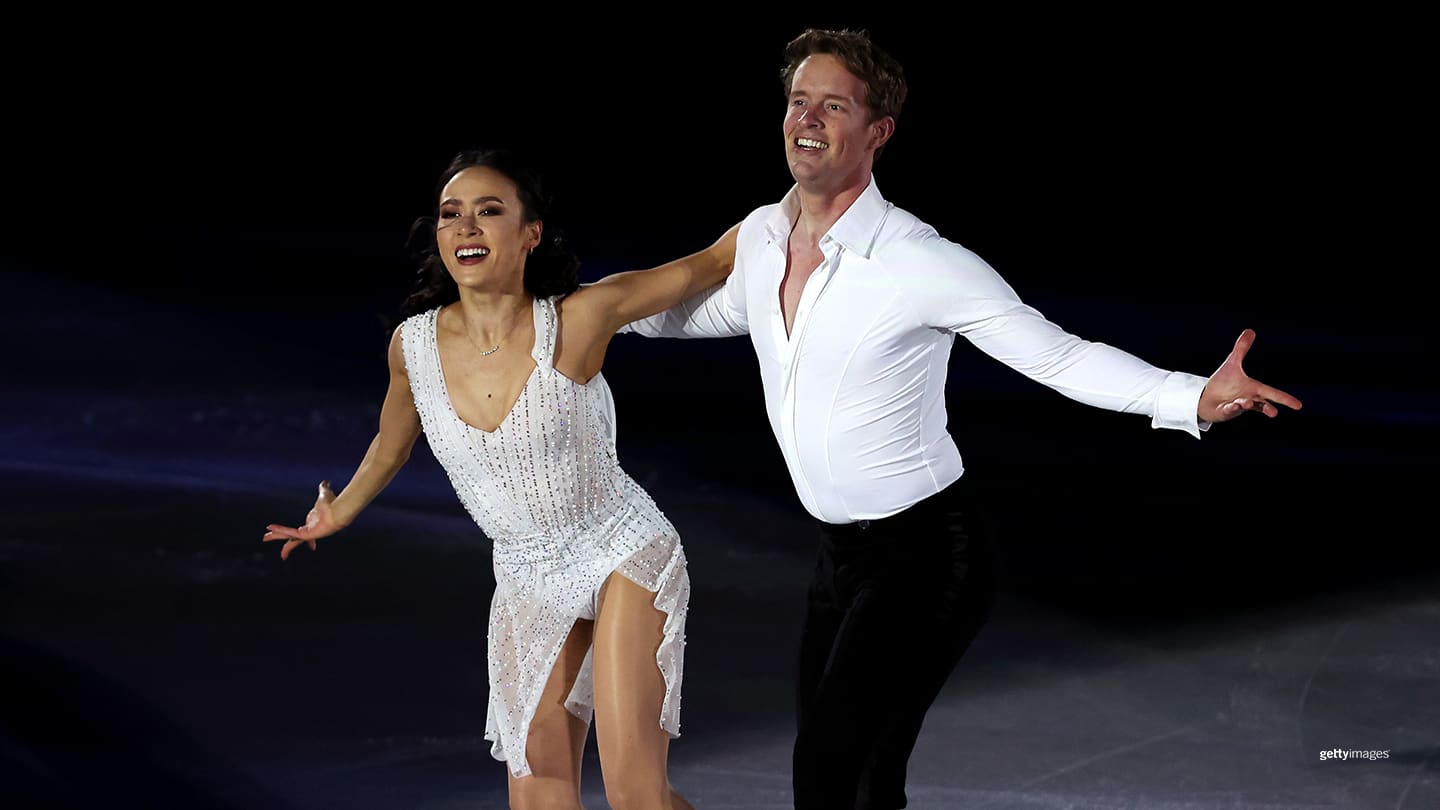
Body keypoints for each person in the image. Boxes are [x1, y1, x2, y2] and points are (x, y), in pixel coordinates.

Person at [616, 27, 1305, 810]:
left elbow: (1058, 355)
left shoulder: (919, 262)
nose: (806, 118)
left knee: (829, 770)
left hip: (926, 557)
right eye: (798, 100)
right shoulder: (763, 241)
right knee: (861, 780)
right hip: (837, 561)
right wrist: (573, 316)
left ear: (878, 132)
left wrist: (1189, 396)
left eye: (832, 105)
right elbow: (682, 316)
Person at [263, 148, 738, 810]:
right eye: (451, 215)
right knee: (538, 792)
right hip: (524, 573)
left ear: (530, 233)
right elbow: (390, 445)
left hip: (622, 548)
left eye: (490, 212)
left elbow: (710, 263)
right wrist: (338, 512)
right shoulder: (414, 346)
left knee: (636, 796)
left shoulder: (576, 320)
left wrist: (813, 201)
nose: (467, 228)